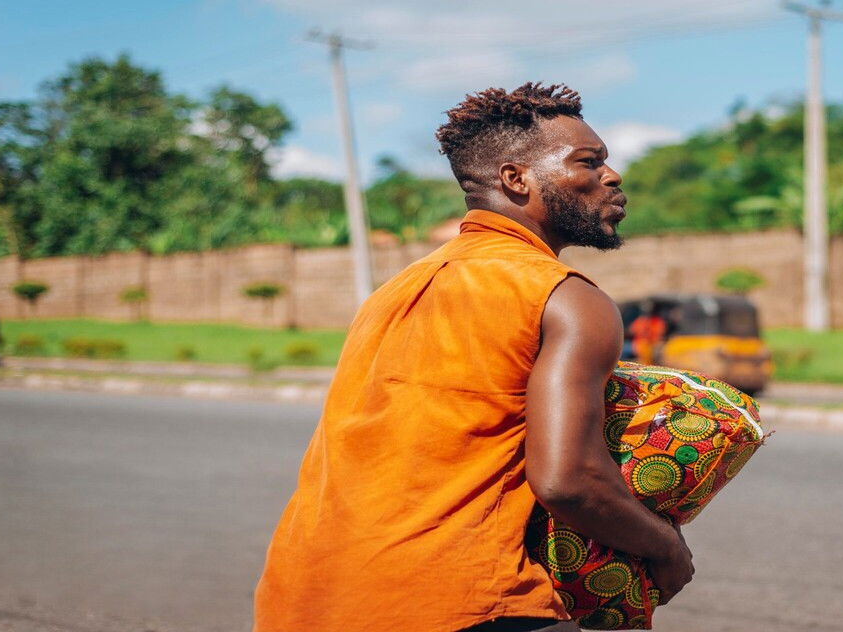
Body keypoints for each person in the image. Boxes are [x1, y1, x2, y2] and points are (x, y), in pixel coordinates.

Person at [254, 83, 693, 632]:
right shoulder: (564, 297)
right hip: (453, 603)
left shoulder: (394, 290)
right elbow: (570, 481)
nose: (613, 175)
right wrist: (666, 548)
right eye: (589, 161)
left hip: (303, 598)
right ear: (515, 179)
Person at [628, 300, 666, 365]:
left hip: (652, 345)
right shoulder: (640, 320)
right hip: (640, 345)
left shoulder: (657, 321)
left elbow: (658, 334)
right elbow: (632, 331)